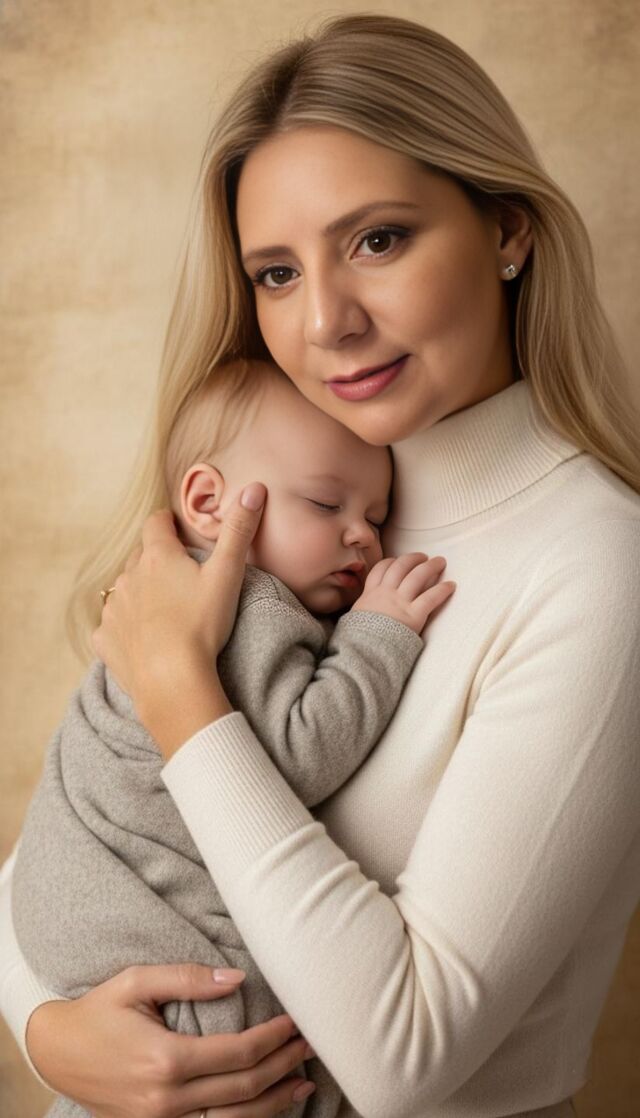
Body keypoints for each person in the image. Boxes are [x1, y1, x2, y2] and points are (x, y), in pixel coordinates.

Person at [2, 12, 639, 1118]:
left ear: (508, 229)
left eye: (378, 240)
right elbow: (68, 845)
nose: (327, 321)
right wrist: (49, 1034)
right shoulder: (278, 491)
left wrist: (182, 692)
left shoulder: (596, 566)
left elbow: (403, 1058)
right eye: (277, 271)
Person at [11, 356, 453, 1118]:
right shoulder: (254, 604)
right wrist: (378, 637)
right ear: (209, 502)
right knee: (237, 1031)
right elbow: (296, 756)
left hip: (64, 912)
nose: (361, 536)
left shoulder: (162, 593)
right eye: (326, 503)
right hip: (127, 906)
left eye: (378, 516)